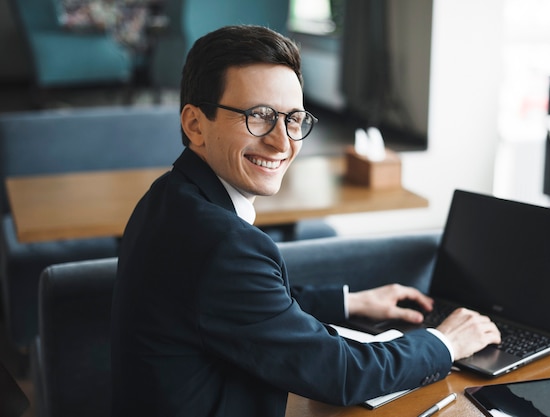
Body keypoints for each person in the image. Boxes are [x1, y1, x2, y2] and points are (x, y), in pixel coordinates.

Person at [110, 25, 500, 417]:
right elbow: (341, 374)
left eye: (293, 119)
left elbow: (248, 305)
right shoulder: (222, 244)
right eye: (259, 116)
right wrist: (445, 342)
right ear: (195, 124)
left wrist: (352, 302)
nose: (283, 142)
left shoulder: (167, 196)